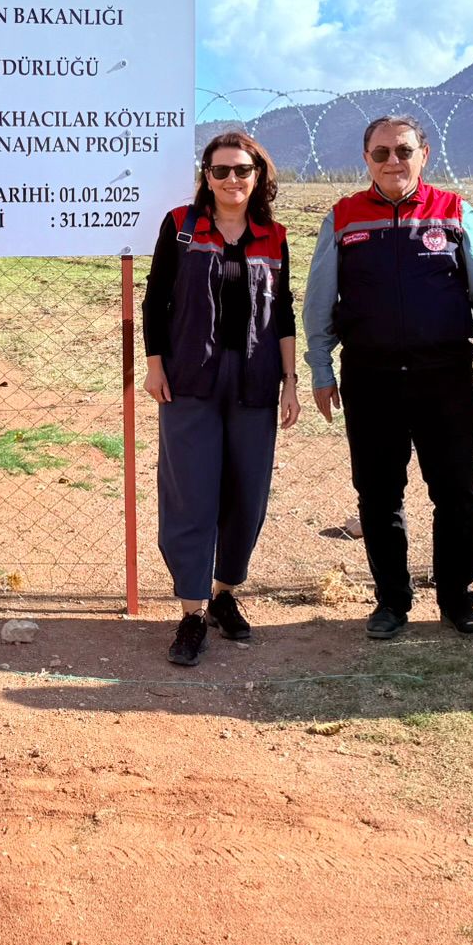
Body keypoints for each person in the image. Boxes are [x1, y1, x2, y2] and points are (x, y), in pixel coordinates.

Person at [303, 114, 473, 641]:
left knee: (457, 493)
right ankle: (392, 601)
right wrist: (322, 370)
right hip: (369, 378)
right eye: (381, 153)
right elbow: (319, 300)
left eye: (403, 151)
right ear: (366, 159)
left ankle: (457, 601)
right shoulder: (344, 217)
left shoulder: (455, 211)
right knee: (377, 494)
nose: (393, 161)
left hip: (443, 375)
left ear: (424, 153)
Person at [142, 131, 301, 666]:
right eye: (221, 170)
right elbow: (155, 299)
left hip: (254, 380)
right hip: (190, 377)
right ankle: (191, 613)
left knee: (247, 492)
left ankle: (224, 593)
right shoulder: (181, 227)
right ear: (205, 176)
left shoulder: (273, 236)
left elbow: (282, 315)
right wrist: (154, 366)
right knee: (191, 492)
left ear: (259, 176)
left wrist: (291, 382)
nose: (232, 179)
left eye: (242, 170)